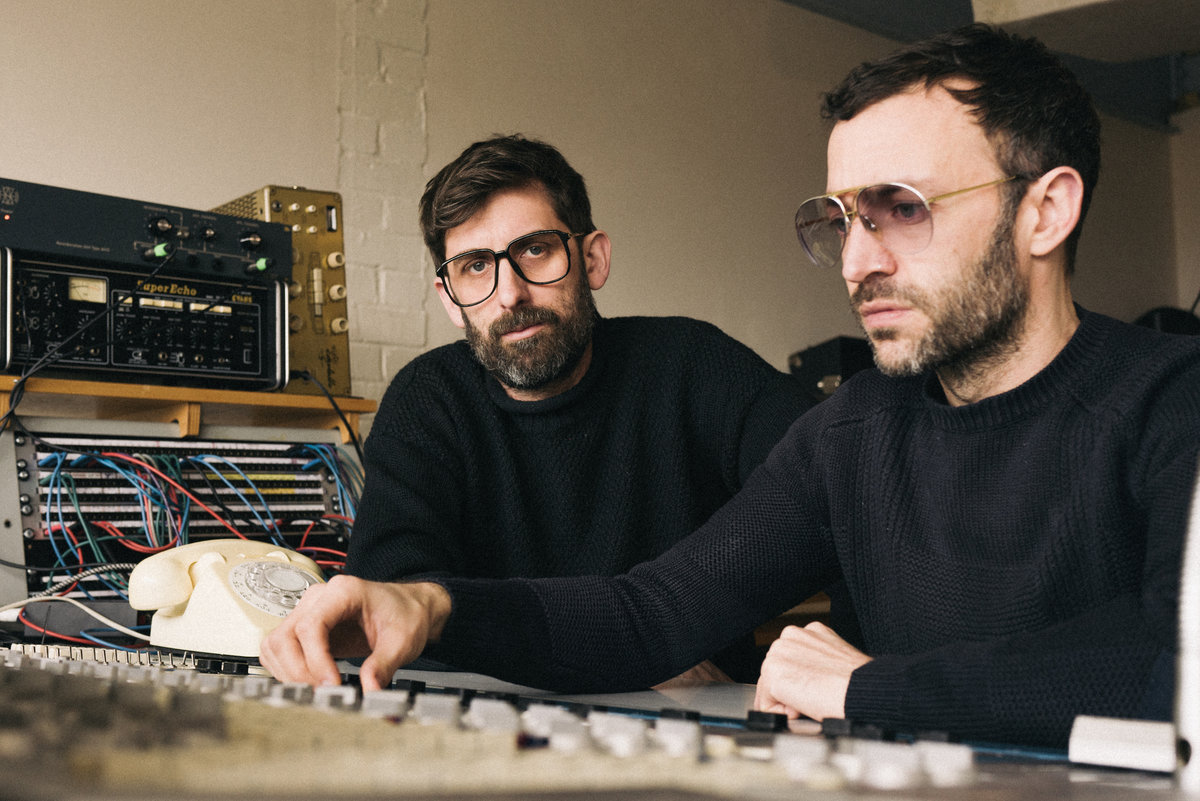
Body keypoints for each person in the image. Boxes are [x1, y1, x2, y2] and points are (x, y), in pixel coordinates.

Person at [261, 25, 1200, 748]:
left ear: (1046, 210)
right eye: (842, 219)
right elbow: (652, 610)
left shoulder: (1173, 403)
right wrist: (431, 606)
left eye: (902, 208)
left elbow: (1175, 661)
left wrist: (865, 688)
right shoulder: (854, 430)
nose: (856, 262)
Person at [340, 134, 812, 682]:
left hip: (694, 717)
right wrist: (625, 662)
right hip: (491, 722)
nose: (509, 294)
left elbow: (837, 487)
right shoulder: (425, 401)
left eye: (535, 250)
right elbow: (388, 609)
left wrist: (676, 640)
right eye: (475, 267)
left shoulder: (696, 365)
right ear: (450, 298)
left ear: (592, 259)